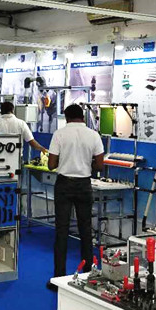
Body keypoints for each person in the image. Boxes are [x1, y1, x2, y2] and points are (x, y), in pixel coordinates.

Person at [47, 103, 104, 291]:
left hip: (64, 184)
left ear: (66, 117)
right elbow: (100, 165)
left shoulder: (59, 134)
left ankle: (58, 279)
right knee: (85, 231)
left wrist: (65, 160)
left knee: (61, 231)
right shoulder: (93, 135)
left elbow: (51, 165)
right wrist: (86, 165)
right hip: (84, 185)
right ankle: (88, 276)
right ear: (83, 117)